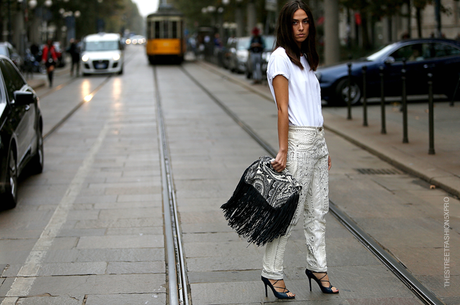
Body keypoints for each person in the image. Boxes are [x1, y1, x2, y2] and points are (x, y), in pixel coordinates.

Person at [261, 0, 338, 299]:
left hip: (317, 141)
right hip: (298, 143)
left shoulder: (304, 59)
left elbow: (311, 106)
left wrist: (324, 145)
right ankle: (272, 272)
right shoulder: (280, 58)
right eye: (295, 22)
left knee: (318, 211)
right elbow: (283, 108)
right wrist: (282, 149)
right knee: (290, 214)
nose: (301, 27)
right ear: (285, 25)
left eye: (305, 21)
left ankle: (318, 267)